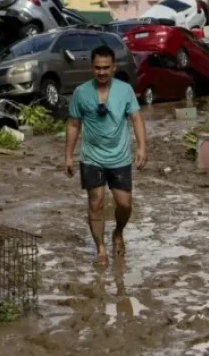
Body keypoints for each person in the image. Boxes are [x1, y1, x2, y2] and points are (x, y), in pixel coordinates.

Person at [65, 44, 147, 266]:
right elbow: (73, 124)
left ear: (113, 68)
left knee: (124, 205)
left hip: (120, 158)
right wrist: (68, 156)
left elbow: (137, 118)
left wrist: (141, 148)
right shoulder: (81, 93)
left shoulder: (125, 90)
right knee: (96, 202)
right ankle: (100, 250)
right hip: (91, 158)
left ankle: (118, 232)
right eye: (97, 68)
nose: (101, 72)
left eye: (106, 68)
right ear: (91, 68)